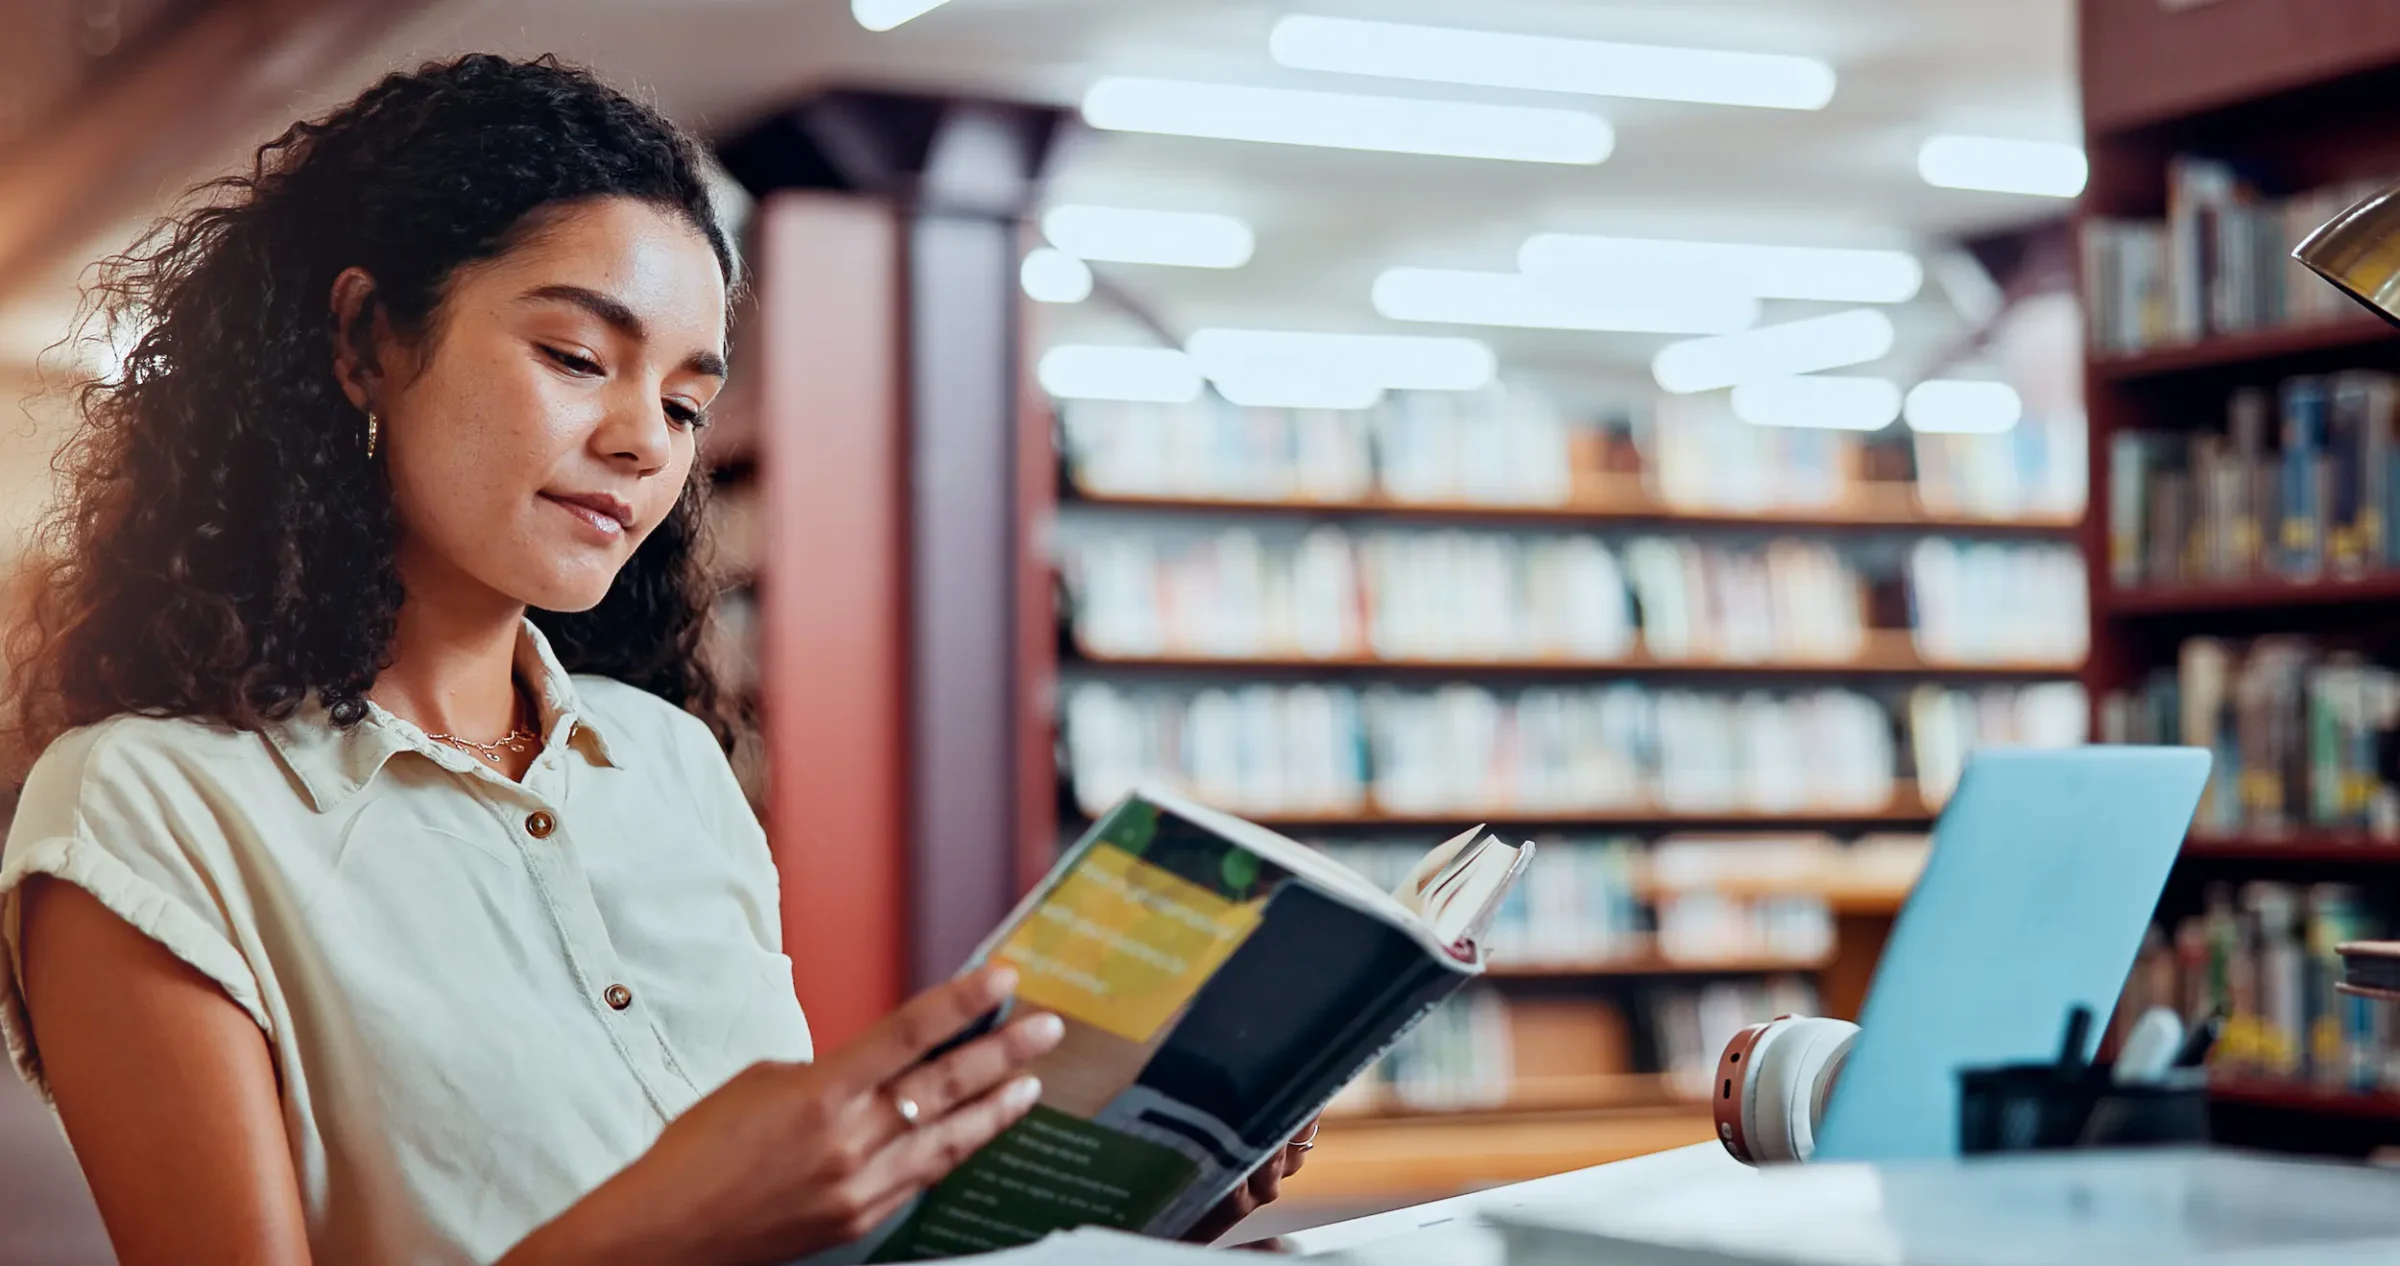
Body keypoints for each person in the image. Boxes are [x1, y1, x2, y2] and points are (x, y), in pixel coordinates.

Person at [0, 54, 1306, 1266]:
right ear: (361, 342)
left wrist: (1102, 1201)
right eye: (578, 358)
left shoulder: (672, 760)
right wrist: (666, 1226)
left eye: (686, 402)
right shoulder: (145, 807)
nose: (644, 441)